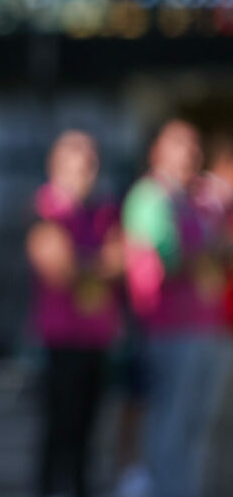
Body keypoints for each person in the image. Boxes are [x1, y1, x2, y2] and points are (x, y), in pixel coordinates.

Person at [121, 119, 232, 497]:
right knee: (171, 423)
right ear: (157, 150)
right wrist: (215, 252)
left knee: (199, 426)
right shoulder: (151, 197)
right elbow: (169, 261)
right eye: (180, 143)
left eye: (194, 144)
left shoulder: (197, 199)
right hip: (169, 329)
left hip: (206, 328)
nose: (191, 152)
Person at [25, 130, 123, 497]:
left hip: (97, 336)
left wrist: (86, 264)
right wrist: (99, 264)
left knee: (88, 434)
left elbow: (122, 260)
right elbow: (58, 267)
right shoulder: (45, 208)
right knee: (59, 431)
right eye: (77, 167)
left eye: (90, 166)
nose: (85, 175)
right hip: (60, 339)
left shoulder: (103, 210)